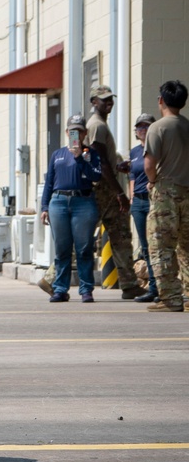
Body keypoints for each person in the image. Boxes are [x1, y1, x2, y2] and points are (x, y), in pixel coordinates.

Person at [40, 116, 102, 303]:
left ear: (85, 133)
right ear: (67, 133)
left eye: (80, 131)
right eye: (72, 131)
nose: (76, 134)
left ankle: (86, 289)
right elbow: (49, 182)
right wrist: (44, 207)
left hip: (82, 201)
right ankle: (60, 288)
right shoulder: (57, 154)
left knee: (84, 248)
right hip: (59, 201)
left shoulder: (90, 153)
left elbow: (96, 176)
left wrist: (80, 159)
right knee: (62, 248)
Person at [85, 85, 139, 298]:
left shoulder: (100, 125)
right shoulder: (97, 126)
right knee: (115, 236)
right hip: (104, 191)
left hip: (105, 188)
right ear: (93, 102)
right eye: (103, 99)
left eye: (110, 99)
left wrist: (118, 166)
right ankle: (53, 278)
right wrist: (119, 193)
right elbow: (101, 163)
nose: (109, 102)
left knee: (119, 236)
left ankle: (129, 283)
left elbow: (106, 162)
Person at [144, 79, 189, 313]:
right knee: (187, 247)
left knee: (161, 246)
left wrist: (152, 182)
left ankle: (171, 297)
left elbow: (149, 164)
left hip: (166, 193)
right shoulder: (187, 125)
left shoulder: (157, 128)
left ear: (161, 100)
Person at [129, 112, 159, 302]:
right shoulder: (134, 152)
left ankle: (163, 287)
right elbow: (132, 175)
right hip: (138, 201)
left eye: (146, 127)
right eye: (140, 127)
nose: (143, 130)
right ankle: (153, 288)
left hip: (153, 199)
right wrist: (131, 196)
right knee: (146, 247)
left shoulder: (157, 148)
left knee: (158, 244)